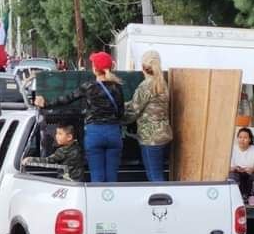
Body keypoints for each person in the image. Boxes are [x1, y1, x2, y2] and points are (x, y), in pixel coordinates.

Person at [34, 51, 125, 183]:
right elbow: (121, 113)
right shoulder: (117, 87)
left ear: (95, 69)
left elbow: (68, 99)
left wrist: (46, 103)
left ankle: (98, 202)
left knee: (97, 176)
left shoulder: (89, 87)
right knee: (112, 176)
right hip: (113, 133)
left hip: (95, 134)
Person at [122, 49, 172, 182]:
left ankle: (162, 201)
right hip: (163, 135)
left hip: (150, 138)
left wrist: (118, 119)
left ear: (143, 67)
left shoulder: (145, 86)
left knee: (154, 176)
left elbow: (134, 110)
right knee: (158, 173)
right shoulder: (163, 84)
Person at [21, 123, 85, 182]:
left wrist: (30, 159)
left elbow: (48, 160)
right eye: (56, 133)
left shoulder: (63, 151)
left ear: (69, 137)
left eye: (60, 134)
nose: (56, 136)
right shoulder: (78, 147)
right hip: (79, 181)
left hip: (67, 182)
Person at [230, 127, 254, 203]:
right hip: (236, 172)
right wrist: (234, 168)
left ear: (250, 139)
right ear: (237, 138)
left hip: (250, 172)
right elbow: (226, 167)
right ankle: (235, 196)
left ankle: (253, 196)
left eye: (245, 138)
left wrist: (252, 169)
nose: (242, 140)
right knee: (231, 176)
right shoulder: (232, 149)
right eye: (240, 137)